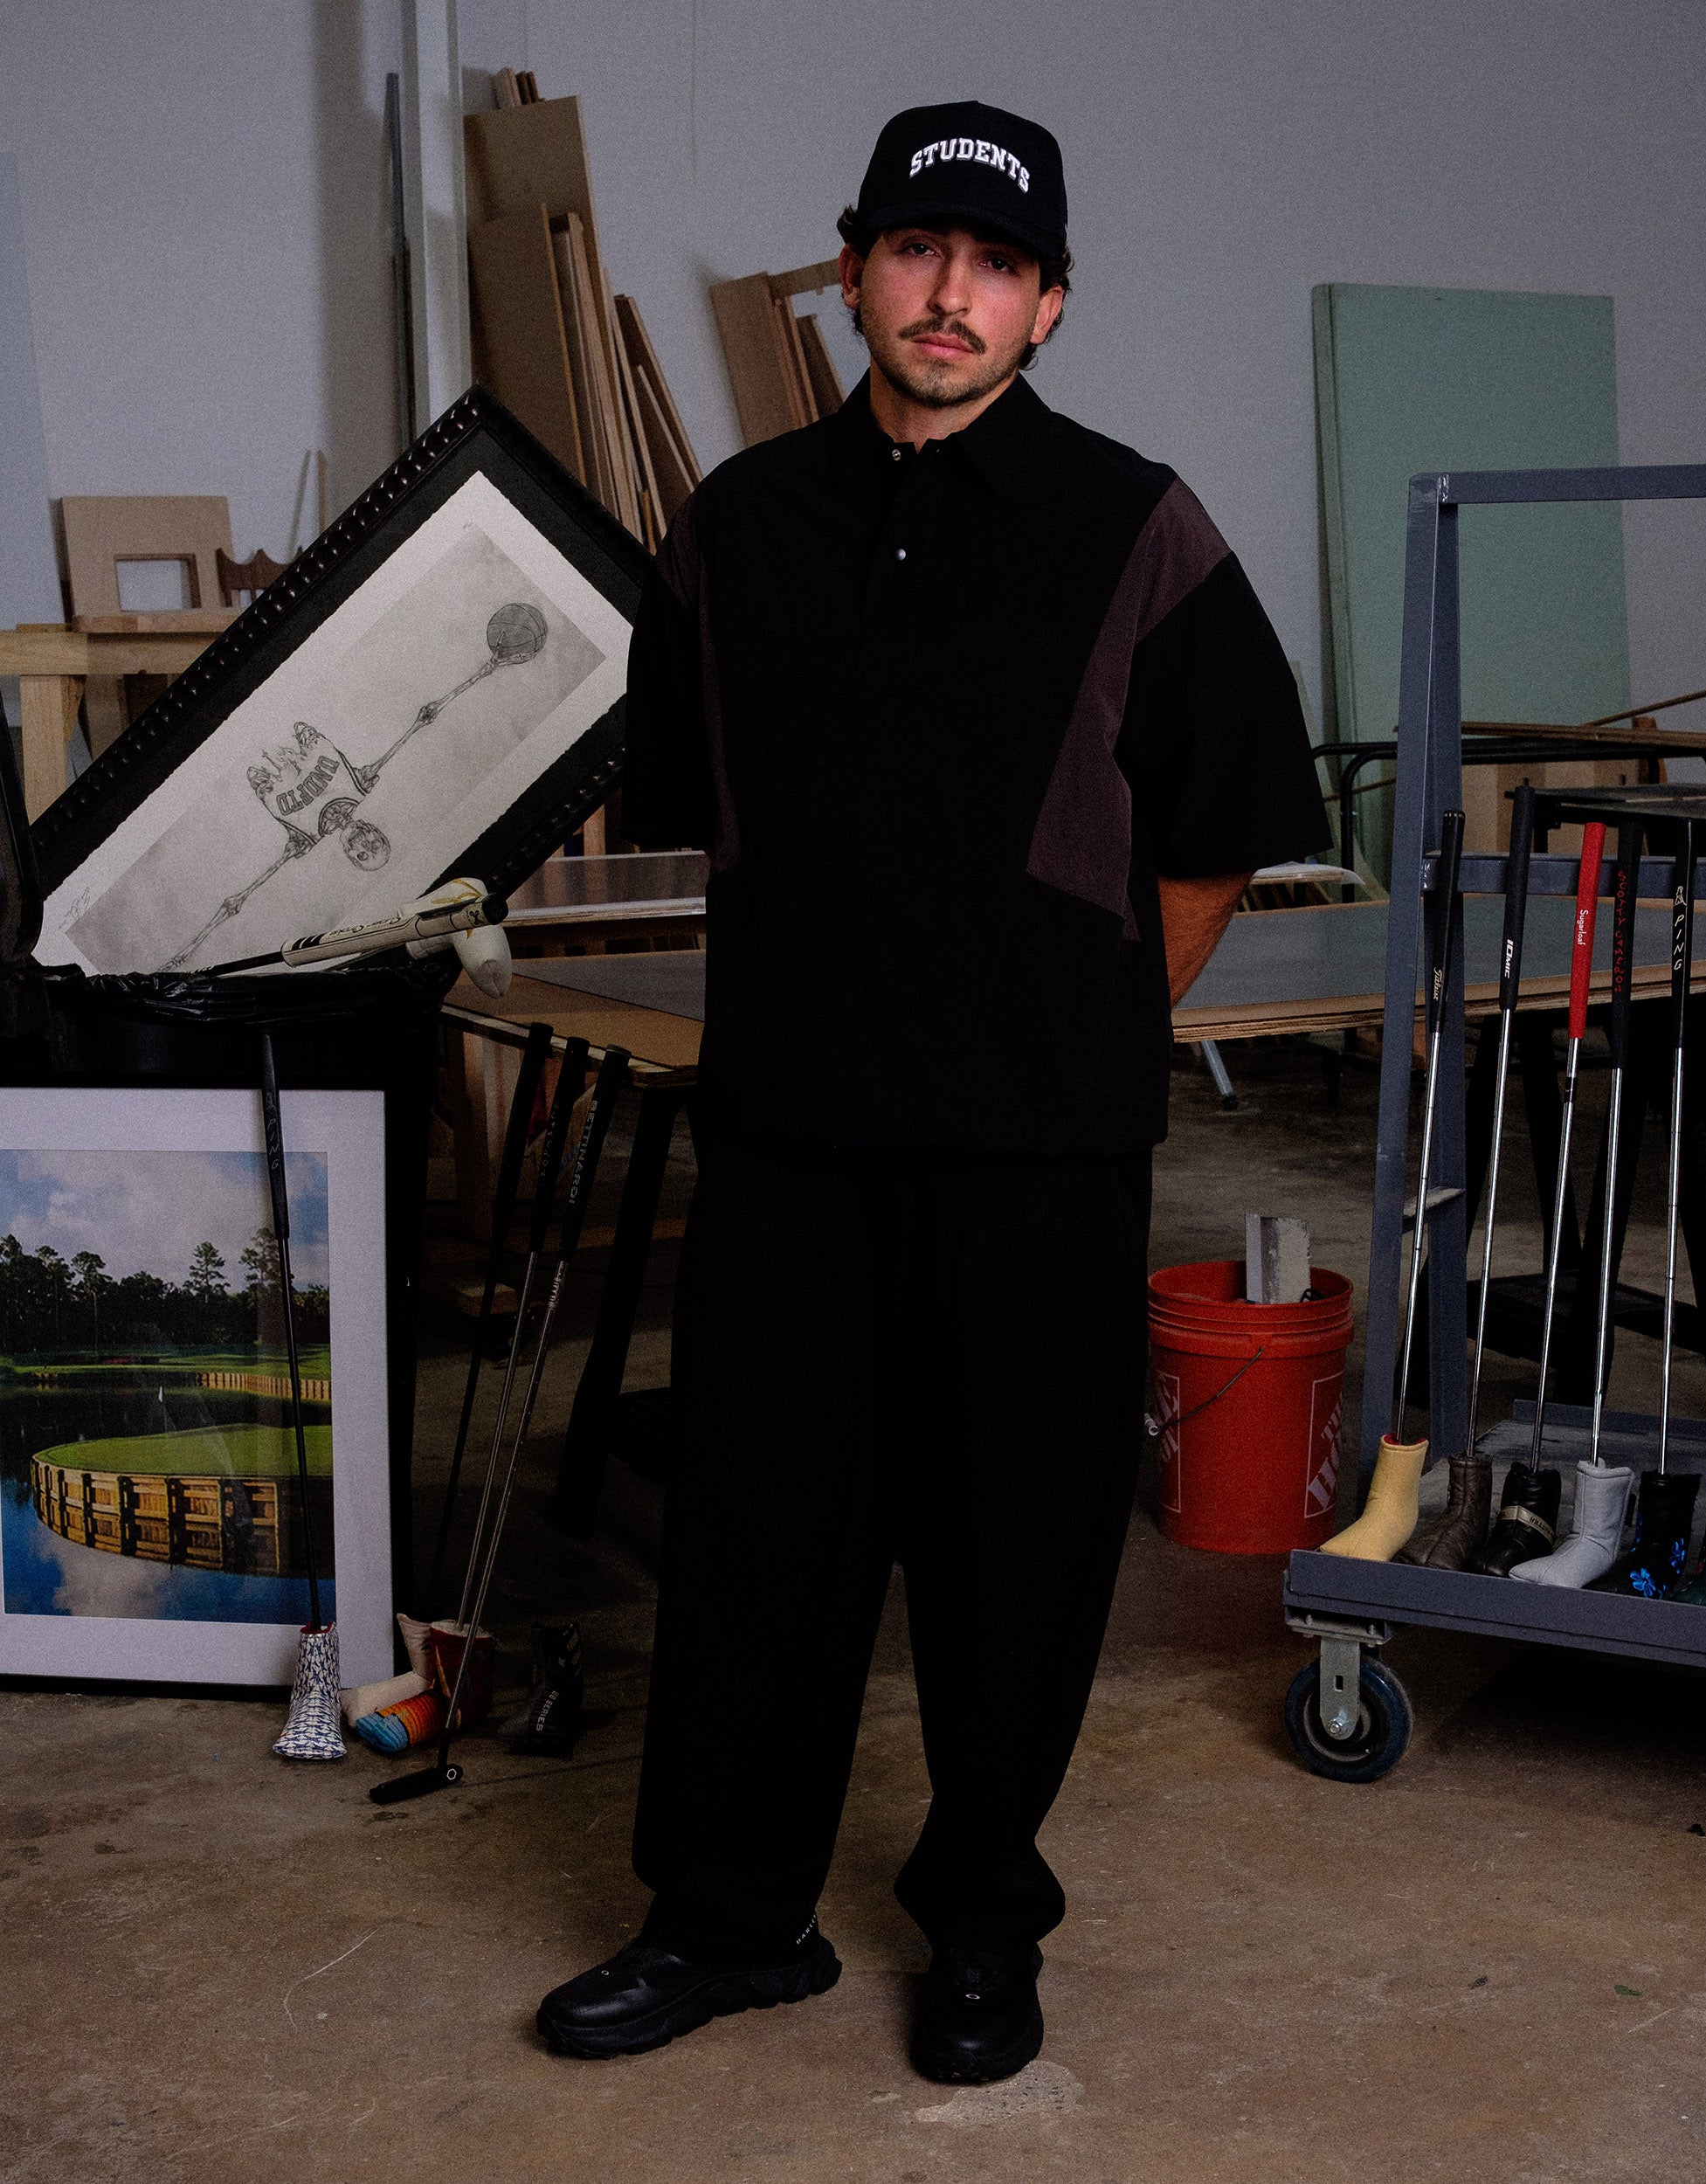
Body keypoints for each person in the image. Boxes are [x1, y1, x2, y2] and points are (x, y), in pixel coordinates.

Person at [537, 99, 1330, 2083]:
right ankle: (728, 1918)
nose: (948, 293)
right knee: (758, 1536)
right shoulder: (736, 527)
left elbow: (1225, 822)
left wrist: (1069, 1013)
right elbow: (696, 812)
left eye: (991, 264)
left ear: (1048, 302)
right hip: (795, 1124)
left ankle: (981, 1918)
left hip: (1036, 1145)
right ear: (857, 273)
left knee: (1015, 1544)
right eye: (913, 251)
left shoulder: (1137, 525)